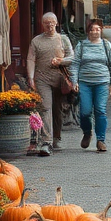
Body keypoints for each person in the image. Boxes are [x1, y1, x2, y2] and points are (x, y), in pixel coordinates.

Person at [26, 12, 74, 157]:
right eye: (46, 22)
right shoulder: (36, 41)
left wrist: (61, 61)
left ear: (57, 23)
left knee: (57, 109)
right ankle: (46, 142)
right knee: (46, 108)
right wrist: (31, 77)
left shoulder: (63, 39)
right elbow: (30, 59)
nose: (49, 24)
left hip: (60, 79)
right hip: (42, 79)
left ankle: (56, 137)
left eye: (52, 22)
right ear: (42, 24)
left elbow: (72, 57)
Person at [71, 19, 111, 153]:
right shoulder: (82, 45)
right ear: (88, 31)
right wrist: (75, 81)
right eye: (92, 29)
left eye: (98, 29)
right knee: (85, 112)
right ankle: (87, 132)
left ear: (101, 30)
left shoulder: (106, 45)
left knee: (100, 110)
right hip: (85, 82)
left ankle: (101, 140)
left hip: (102, 82)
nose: (95, 32)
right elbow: (75, 64)